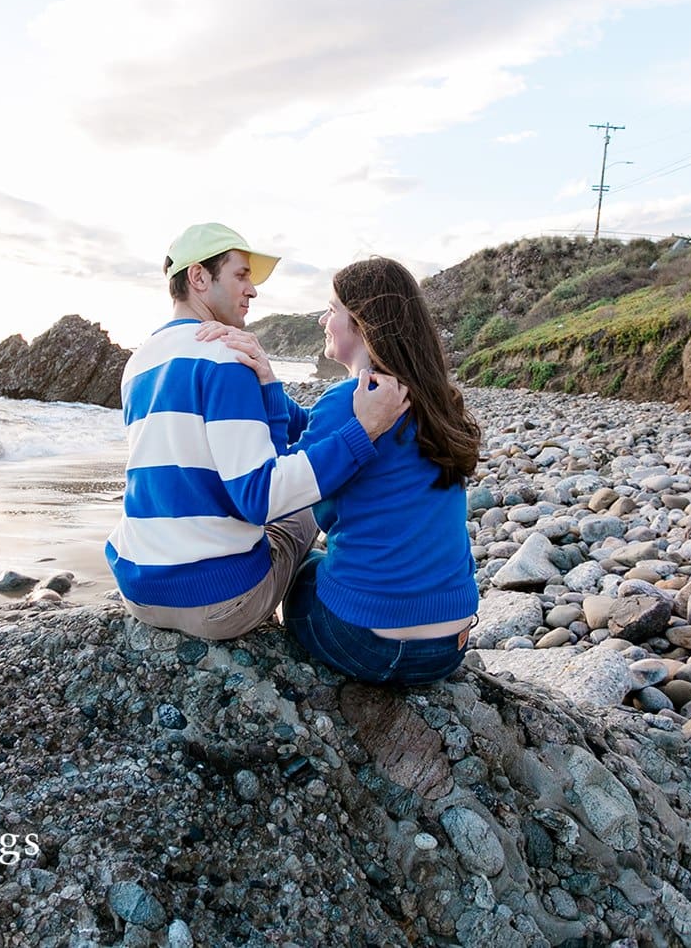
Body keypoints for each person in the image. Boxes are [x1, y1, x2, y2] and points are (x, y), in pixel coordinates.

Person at [105, 223, 410, 641]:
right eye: (241, 275)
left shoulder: (137, 362)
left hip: (138, 591)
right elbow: (262, 499)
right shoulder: (226, 356)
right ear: (198, 277)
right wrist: (363, 432)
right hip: (217, 604)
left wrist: (268, 386)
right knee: (303, 512)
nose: (252, 291)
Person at [217, 256, 481, 684]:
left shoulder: (348, 400)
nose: (323, 320)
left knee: (301, 566)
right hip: (448, 646)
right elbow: (324, 433)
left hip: (369, 644)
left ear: (361, 323)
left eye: (331, 309)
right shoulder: (435, 401)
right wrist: (269, 383)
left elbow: (286, 479)